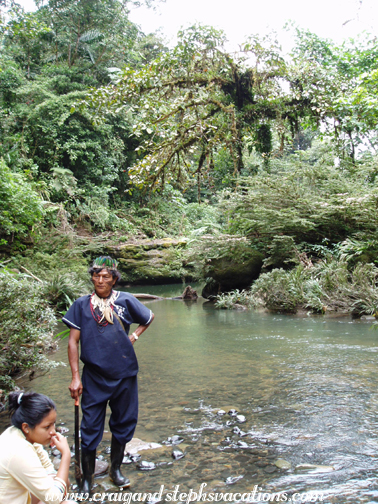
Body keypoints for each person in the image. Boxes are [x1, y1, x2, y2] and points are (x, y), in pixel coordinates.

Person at [63, 256, 154, 492]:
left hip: (124, 374)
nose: (100, 280)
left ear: (114, 279)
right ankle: (87, 479)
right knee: (90, 426)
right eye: (96, 275)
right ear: (92, 277)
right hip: (94, 376)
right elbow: (73, 342)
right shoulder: (81, 305)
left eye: (106, 276)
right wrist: (75, 376)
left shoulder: (125, 300)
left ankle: (115, 470)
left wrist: (134, 336)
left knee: (123, 422)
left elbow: (148, 317)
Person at [0, 390, 77, 504]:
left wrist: (55, 481)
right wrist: (66, 454)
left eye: (53, 424)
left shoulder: (21, 434)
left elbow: (47, 467)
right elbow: (54, 499)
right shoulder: (20, 450)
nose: (53, 431)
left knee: (61, 481)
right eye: (47, 427)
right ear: (26, 427)